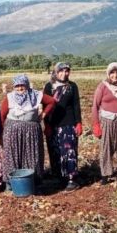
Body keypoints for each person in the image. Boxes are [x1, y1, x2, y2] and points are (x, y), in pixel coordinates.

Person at [0, 74, 56, 186]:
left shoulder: (36, 95)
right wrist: (1, 133)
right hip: (12, 132)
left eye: (22, 85)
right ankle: (11, 184)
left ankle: (34, 182)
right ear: (14, 86)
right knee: (13, 155)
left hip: (32, 131)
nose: (20, 88)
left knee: (32, 155)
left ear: (27, 85)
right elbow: (2, 115)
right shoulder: (10, 97)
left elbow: (52, 101)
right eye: (17, 86)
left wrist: (43, 114)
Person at [43, 62, 82, 192]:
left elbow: (76, 105)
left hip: (68, 124)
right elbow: (45, 107)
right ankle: (59, 178)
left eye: (67, 71)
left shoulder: (72, 86)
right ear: (56, 72)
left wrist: (78, 123)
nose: (64, 74)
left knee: (69, 151)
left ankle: (71, 179)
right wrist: (47, 125)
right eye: (61, 71)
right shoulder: (49, 87)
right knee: (55, 152)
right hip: (53, 124)